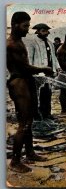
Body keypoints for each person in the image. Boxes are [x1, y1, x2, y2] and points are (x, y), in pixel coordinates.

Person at [7, 11, 52, 173]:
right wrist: (44, 69)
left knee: (29, 121)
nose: (28, 30)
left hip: (27, 81)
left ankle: (30, 153)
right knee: (24, 123)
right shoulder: (11, 44)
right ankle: (15, 161)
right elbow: (24, 68)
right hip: (19, 83)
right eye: (25, 26)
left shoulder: (20, 41)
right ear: (15, 25)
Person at [26, 23, 60, 120]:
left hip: (49, 72)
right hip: (38, 73)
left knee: (48, 93)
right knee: (37, 94)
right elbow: (30, 58)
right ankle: (37, 114)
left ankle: (47, 113)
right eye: (43, 31)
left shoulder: (50, 43)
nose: (46, 33)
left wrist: (57, 67)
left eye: (46, 30)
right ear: (37, 31)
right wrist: (32, 71)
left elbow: (53, 57)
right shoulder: (33, 42)